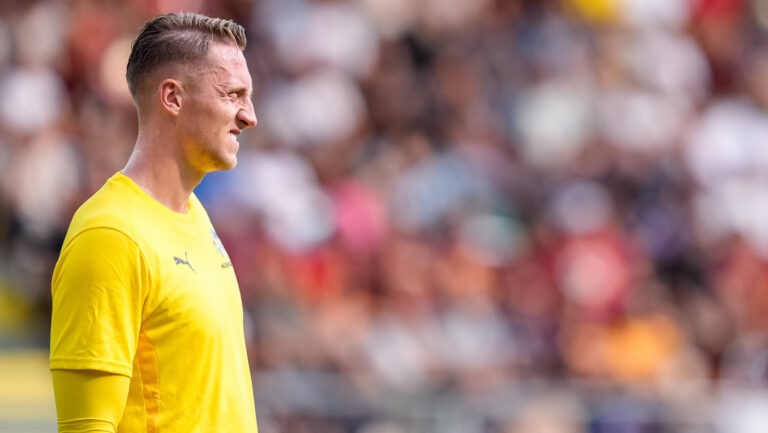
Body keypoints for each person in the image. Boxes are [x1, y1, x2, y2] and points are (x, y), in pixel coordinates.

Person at [49, 12, 258, 433]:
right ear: (172, 98)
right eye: (233, 94)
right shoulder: (109, 234)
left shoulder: (195, 214)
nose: (249, 115)